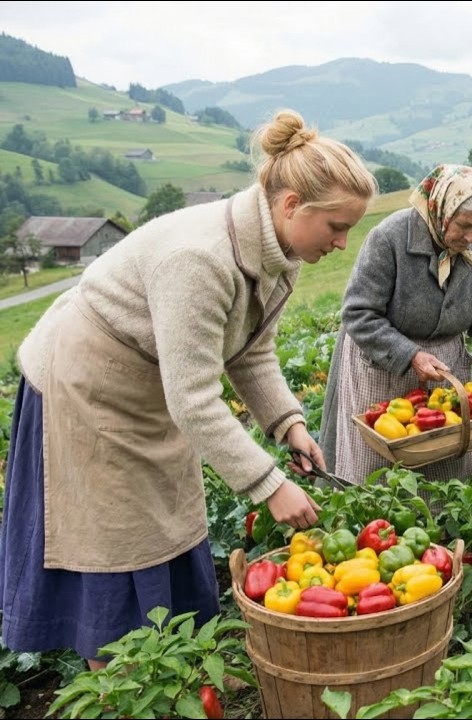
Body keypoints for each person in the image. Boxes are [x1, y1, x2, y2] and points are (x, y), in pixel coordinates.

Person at [0, 109, 377, 668]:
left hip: (152, 385)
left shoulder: (280, 253)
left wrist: (287, 425)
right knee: (114, 542)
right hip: (85, 387)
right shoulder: (198, 259)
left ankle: (172, 670)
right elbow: (195, 398)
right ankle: (118, 686)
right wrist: (270, 485)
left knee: (168, 518)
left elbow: (251, 351)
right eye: (337, 227)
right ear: (292, 205)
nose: (344, 243)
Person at [321, 164, 472, 483]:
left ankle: (444, 529)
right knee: (381, 469)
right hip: (383, 364)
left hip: (444, 367)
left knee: (445, 462)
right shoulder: (389, 238)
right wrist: (410, 355)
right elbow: (358, 313)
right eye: (464, 226)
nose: (471, 237)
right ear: (440, 210)